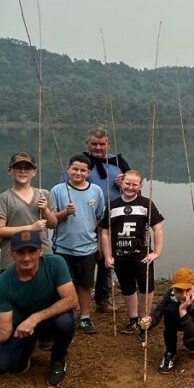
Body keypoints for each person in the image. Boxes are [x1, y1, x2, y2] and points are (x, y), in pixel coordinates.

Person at [0, 230, 77, 387]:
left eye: (32, 251)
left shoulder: (56, 263)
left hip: (50, 320)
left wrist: (35, 318)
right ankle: (27, 347)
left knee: (65, 322)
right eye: (20, 252)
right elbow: (5, 329)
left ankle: (58, 357)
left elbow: (72, 300)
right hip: (21, 328)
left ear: (41, 251)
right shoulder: (2, 285)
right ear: (11, 254)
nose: (26, 258)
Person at [59, 127, 131, 314]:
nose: (98, 148)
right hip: (84, 221)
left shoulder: (118, 163)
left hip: (113, 219)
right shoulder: (80, 164)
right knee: (85, 259)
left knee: (107, 259)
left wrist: (125, 185)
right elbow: (62, 189)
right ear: (87, 144)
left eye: (102, 144)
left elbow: (134, 191)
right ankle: (73, 301)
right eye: (94, 144)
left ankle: (103, 298)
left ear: (109, 144)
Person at [100, 170, 164, 335]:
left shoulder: (146, 204)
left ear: (140, 186)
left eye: (135, 184)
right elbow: (105, 232)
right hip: (121, 255)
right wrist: (108, 255)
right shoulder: (113, 205)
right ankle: (133, 319)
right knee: (127, 287)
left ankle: (145, 319)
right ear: (121, 183)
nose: (130, 187)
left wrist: (156, 251)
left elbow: (157, 228)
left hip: (142, 256)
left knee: (146, 287)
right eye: (127, 183)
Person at [51, 154, 106, 334]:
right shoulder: (57, 190)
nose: (78, 173)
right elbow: (50, 220)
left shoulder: (96, 191)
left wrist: (100, 245)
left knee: (85, 284)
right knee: (65, 284)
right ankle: (65, 316)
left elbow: (100, 219)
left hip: (88, 247)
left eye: (83, 170)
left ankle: (85, 317)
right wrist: (64, 213)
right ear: (68, 169)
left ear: (88, 172)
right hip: (62, 247)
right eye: (75, 169)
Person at [0, 152, 58, 274]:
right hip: (12, 259)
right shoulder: (4, 198)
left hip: (42, 256)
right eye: (18, 167)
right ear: (10, 171)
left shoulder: (44, 194)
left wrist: (45, 210)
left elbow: (53, 224)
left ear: (34, 172)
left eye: (27, 168)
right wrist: (31, 228)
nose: (22, 171)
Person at [140, 267, 194, 374]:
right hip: (177, 320)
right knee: (169, 310)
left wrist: (182, 309)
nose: (183, 295)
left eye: (187, 290)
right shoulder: (171, 294)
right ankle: (170, 351)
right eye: (178, 291)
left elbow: (192, 329)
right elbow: (159, 310)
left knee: (191, 343)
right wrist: (150, 321)